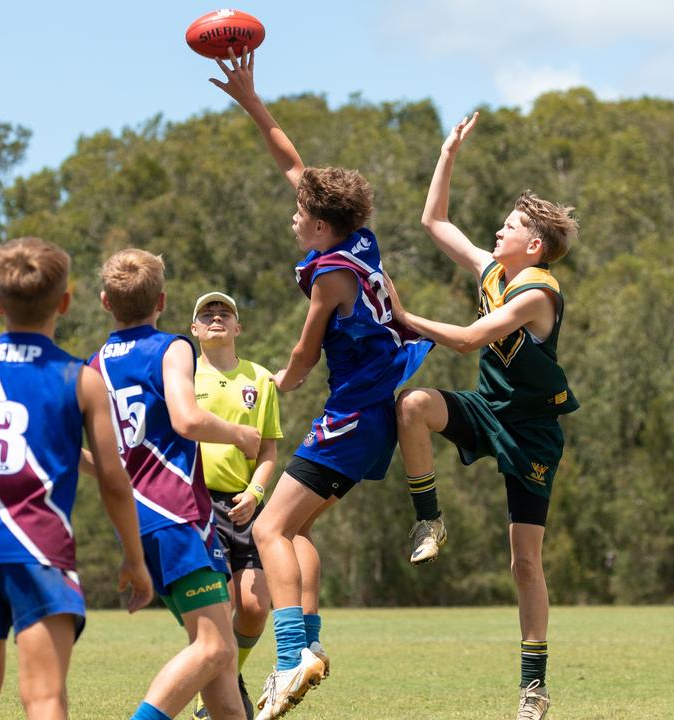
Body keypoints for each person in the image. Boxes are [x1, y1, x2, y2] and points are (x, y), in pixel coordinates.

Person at [208, 48, 431, 720]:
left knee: (271, 529)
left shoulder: (330, 275)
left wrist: (279, 379)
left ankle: (288, 658)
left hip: (353, 417)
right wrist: (252, 100)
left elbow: (304, 358)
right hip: (373, 415)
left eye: (302, 213)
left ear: (322, 225)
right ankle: (309, 645)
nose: (293, 213)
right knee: (297, 535)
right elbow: (291, 162)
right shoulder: (359, 244)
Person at [386, 110, 579, 720]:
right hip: (486, 407)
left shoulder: (537, 293)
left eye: (511, 226)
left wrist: (405, 317)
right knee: (413, 405)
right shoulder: (495, 271)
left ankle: (534, 688)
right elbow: (434, 220)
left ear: (536, 246)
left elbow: (470, 340)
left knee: (524, 561)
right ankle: (429, 520)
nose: (498, 231)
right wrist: (448, 152)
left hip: (533, 433)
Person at [0, 237, 153, 720]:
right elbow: (115, 480)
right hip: (39, 550)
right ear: (65, 302)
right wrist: (134, 559)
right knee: (45, 697)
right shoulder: (80, 379)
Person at [91, 249, 262, 720]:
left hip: (139, 521)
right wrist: (239, 434)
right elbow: (186, 420)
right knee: (212, 650)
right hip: (178, 516)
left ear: (107, 302)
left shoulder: (95, 365)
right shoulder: (172, 348)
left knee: (220, 660)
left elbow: (88, 457)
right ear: (162, 300)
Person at [190, 291, 284, 719]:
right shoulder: (182, 378)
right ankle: (214, 691)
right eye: (206, 314)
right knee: (219, 607)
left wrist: (256, 493)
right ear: (194, 330)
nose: (215, 318)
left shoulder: (260, 379)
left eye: (224, 313)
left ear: (237, 328)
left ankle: (231, 675)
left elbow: (268, 451)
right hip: (197, 504)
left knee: (252, 608)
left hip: (245, 505)